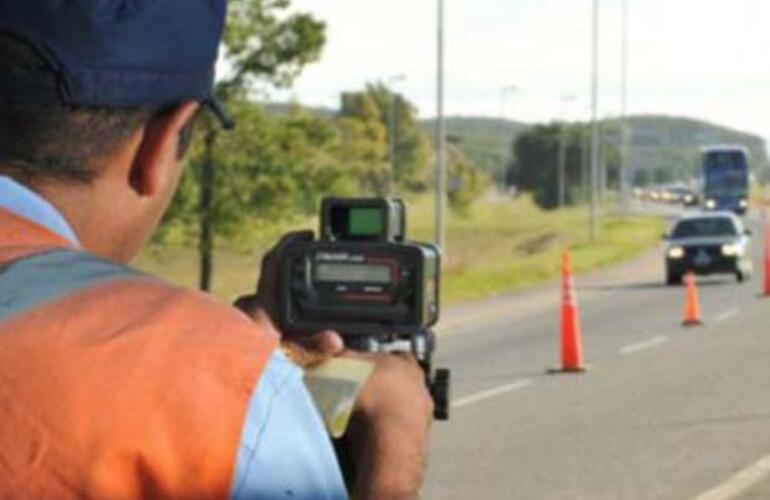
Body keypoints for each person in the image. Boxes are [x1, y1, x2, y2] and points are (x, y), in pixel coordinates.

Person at [0, 1, 433, 499]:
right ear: (160, 143)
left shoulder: (218, 373)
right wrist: (393, 461)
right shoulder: (227, 402)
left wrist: (222, 361)